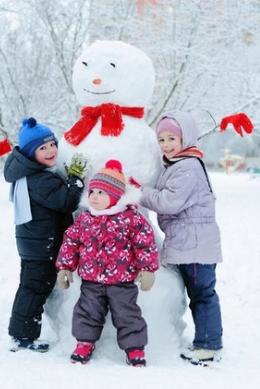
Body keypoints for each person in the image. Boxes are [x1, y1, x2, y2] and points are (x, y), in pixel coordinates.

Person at [131, 111, 223, 365]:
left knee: (202, 294)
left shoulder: (187, 167)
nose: (166, 145)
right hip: (189, 242)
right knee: (200, 293)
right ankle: (208, 341)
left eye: (172, 138)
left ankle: (208, 344)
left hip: (194, 245)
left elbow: (169, 202)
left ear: (187, 137)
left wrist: (138, 192)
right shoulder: (180, 164)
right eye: (161, 140)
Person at [56, 160, 159, 367]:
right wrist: (65, 267)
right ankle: (84, 342)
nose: (93, 196)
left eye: (101, 193)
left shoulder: (130, 218)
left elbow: (145, 243)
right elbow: (71, 242)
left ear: (115, 196)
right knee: (87, 312)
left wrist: (147, 269)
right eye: (92, 191)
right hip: (91, 280)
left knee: (127, 314)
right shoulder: (85, 219)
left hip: (122, 281)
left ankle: (135, 348)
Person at [2, 117, 86, 352]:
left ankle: (21, 332)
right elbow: (67, 202)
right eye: (42, 148)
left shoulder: (34, 174)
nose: (51, 151)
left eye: (52, 144)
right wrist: (76, 179)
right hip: (42, 246)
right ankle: (23, 336)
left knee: (31, 287)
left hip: (35, 243)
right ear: (30, 153)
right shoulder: (40, 180)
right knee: (35, 289)